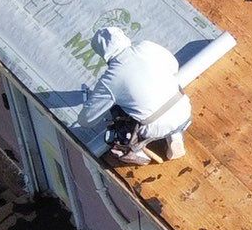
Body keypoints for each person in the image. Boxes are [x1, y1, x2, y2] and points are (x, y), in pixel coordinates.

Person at [82, 26, 192, 165]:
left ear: (103, 53)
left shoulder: (110, 80)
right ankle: (175, 136)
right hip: (183, 109)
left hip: (154, 128)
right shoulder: (147, 46)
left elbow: (86, 121)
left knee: (117, 111)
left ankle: (134, 151)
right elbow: (174, 67)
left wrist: (96, 101)